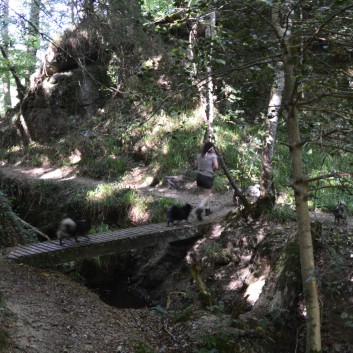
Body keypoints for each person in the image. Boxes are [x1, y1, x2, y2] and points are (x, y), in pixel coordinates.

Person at [195, 141, 219, 221]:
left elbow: (196, 165)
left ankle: (207, 210)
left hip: (199, 176)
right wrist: (212, 170)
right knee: (207, 195)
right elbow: (216, 166)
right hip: (207, 176)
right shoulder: (213, 155)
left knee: (205, 193)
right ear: (211, 148)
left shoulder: (199, 155)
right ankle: (200, 208)